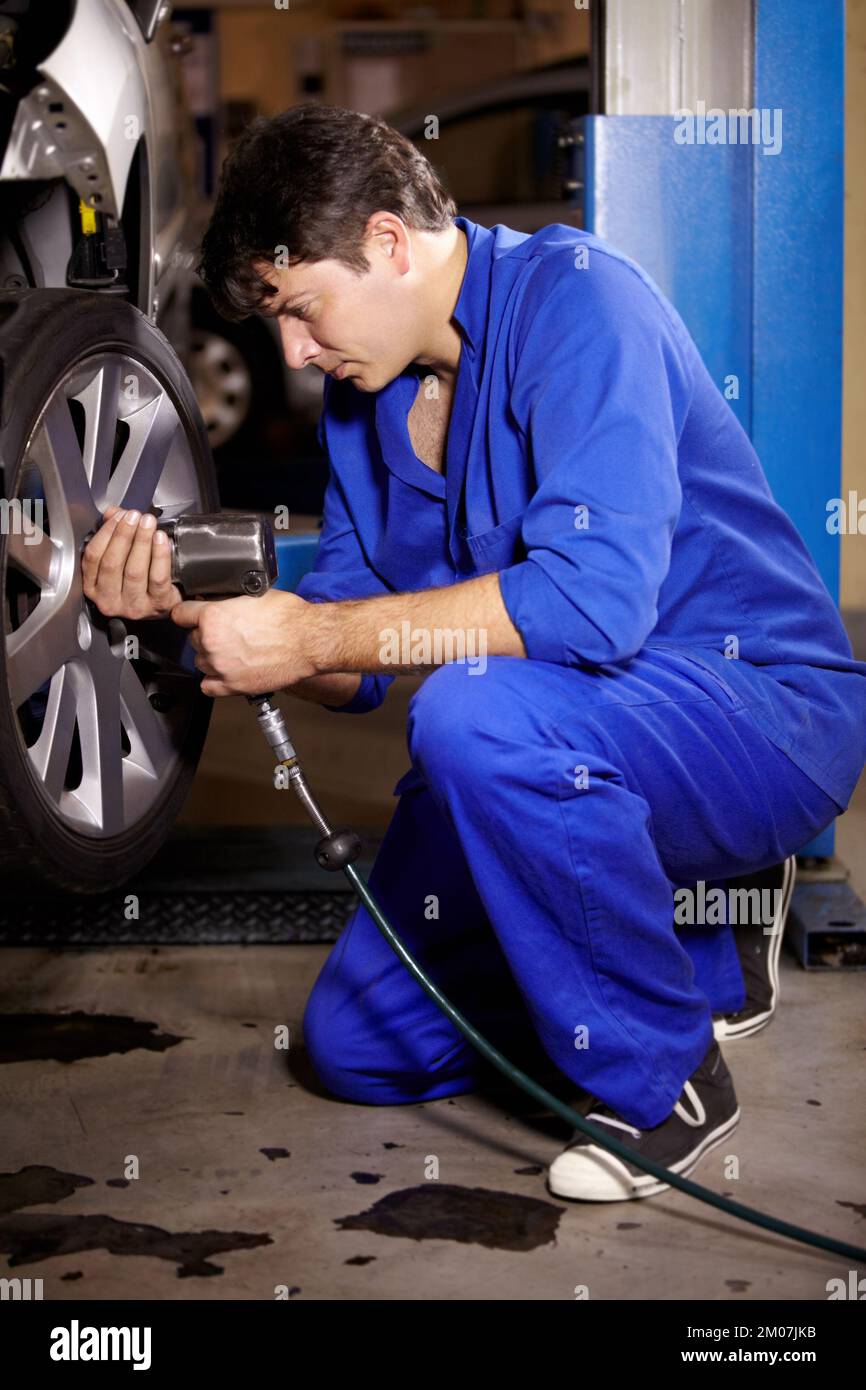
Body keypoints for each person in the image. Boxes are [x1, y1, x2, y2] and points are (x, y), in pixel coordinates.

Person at [82, 105, 866, 1202]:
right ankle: (678, 946)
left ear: (389, 242)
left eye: (302, 310)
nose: (296, 353)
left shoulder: (582, 303)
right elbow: (351, 667)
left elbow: (592, 607)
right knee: (355, 1043)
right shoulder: (363, 408)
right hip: (558, 727)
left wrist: (311, 628)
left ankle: (662, 1076)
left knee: (469, 711)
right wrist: (210, 615)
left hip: (755, 712)